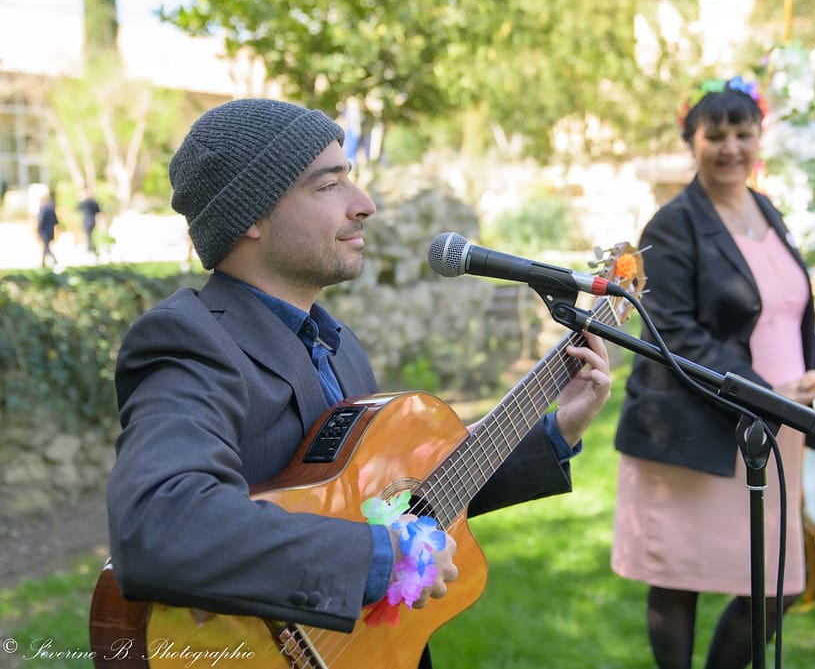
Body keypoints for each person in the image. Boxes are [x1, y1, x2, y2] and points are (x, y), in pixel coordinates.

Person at [105, 98, 612, 668]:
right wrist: (381, 559)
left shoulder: (336, 344)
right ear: (251, 214)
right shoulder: (189, 340)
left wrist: (556, 430)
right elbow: (160, 524)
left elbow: (402, 505)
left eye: (353, 180)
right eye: (328, 186)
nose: (364, 205)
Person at [610, 80, 815, 669]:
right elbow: (675, 334)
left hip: (774, 431)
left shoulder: (767, 210)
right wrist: (766, 393)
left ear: (759, 137)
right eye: (716, 134)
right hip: (698, 428)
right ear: (692, 141)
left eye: (743, 133)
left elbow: (779, 316)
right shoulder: (672, 225)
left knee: (779, 586)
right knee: (677, 578)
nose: (731, 147)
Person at [36, 188, 59, 267]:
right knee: (45, 246)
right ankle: (42, 263)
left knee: (45, 246)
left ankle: (54, 261)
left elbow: (40, 220)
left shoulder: (43, 208)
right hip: (50, 229)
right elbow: (55, 220)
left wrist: (37, 229)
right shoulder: (51, 207)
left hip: (44, 230)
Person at [76, 189, 102, 253]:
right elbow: (98, 211)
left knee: (88, 235)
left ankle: (90, 248)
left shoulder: (84, 203)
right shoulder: (94, 202)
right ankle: (92, 247)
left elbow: (78, 209)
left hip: (86, 221)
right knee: (92, 235)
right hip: (93, 220)